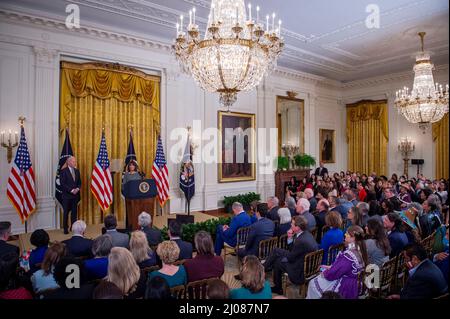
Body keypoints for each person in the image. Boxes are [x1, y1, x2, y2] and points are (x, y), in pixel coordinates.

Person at [307, 225, 368, 299]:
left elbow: (333, 273)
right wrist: (331, 267)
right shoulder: (361, 248)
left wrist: (325, 273)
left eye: (347, 234)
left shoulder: (349, 256)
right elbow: (345, 268)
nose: (345, 235)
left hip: (348, 286)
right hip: (356, 281)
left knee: (313, 284)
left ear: (353, 238)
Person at [263, 216, 318, 295]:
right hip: (307, 264)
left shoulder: (301, 240)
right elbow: (295, 251)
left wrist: (283, 256)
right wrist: (290, 238)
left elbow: (291, 257)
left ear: (298, 227)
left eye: (292, 224)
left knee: (277, 261)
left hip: (300, 270)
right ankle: (264, 269)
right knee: (277, 252)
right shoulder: (306, 233)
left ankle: (277, 287)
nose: (290, 225)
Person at [59, 156, 81, 234]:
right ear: (68, 162)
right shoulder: (63, 171)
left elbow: (79, 182)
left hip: (75, 196)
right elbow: (63, 184)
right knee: (66, 213)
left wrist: (77, 189)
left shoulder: (77, 171)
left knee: (74, 212)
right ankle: (65, 228)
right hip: (67, 196)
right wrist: (71, 190)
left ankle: (73, 227)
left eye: (75, 161)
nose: (75, 163)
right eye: (73, 161)